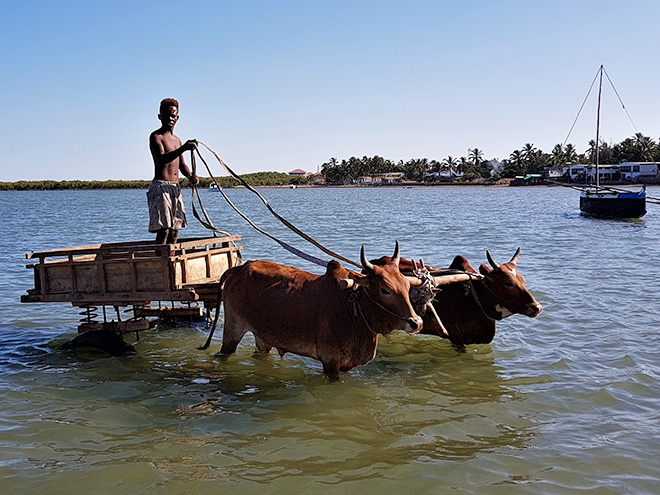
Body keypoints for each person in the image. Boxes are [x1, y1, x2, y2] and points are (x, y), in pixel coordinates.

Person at [147, 98, 199, 245]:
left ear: (177, 118)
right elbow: (162, 159)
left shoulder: (177, 140)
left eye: (173, 116)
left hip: (175, 188)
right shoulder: (156, 137)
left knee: (175, 230)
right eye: (167, 115)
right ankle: (159, 264)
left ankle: (171, 263)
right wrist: (183, 148)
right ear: (159, 116)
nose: (170, 118)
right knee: (164, 230)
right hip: (160, 187)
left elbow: (182, 165)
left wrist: (191, 176)